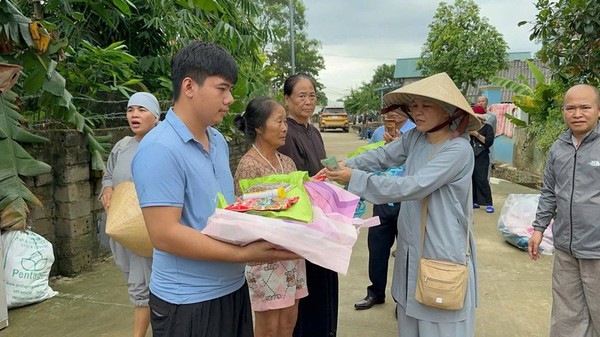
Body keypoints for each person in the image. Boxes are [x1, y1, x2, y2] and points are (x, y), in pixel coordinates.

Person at [131, 41, 299, 337]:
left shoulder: (218, 142)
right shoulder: (159, 148)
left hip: (232, 289)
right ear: (189, 86)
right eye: (222, 89)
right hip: (188, 302)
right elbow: (165, 235)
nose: (230, 99)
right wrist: (245, 254)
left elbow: (222, 210)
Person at [323, 72, 480, 337]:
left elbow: (413, 186)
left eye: (426, 106)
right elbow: (383, 156)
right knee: (409, 317)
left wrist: (356, 178)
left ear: (448, 111)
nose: (417, 113)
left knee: (440, 321)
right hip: (412, 246)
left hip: (440, 245)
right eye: (414, 106)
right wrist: (346, 165)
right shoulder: (416, 138)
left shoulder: (458, 150)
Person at [233, 96, 308, 337]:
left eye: (285, 121)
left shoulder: (287, 162)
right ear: (258, 127)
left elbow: (301, 202)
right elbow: (246, 213)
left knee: (289, 321)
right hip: (263, 257)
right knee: (268, 327)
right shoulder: (249, 165)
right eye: (279, 121)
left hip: (291, 255)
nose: (285, 127)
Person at [529, 84, 600, 337]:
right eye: (570, 108)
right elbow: (549, 191)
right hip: (565, 248)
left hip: (597, 250)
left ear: (598, 110)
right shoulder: (558, 148)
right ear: (563, 111)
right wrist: (539, 228)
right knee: (566, 314)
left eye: (585, 107)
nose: (577, 113)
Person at [277, 73, 338, 337]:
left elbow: (323, 166)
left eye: (312, 95)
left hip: (323, 217)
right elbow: (296, 181)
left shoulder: (313, 130)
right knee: (310, 291)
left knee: (326, 282)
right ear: (287, 99)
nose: (308, 101)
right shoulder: (286, 133)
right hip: (305, 220)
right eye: (301, 95)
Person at [99, 92, 161, 337]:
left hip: (147, 228)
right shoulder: (122, 145)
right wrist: (107, 188)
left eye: (142, 110)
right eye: (130, 109)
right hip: (122, 227)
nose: (134, 115)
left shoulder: (161, 145)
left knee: (146, 288)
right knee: (139, 284)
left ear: (156, 117)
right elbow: (108, 174)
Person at [354, 108, 415, 311]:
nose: (393, 115)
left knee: (406, 251)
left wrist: (398, 148)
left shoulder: (416, 133)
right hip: (382, 199)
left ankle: (402, 299)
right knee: (377, 247)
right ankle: (375, 292)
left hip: (407, 200)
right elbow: (371, 159)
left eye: (398, 110)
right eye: (390, 111)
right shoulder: (379, 132)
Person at [469, 105, 495, 213]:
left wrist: (476, 134)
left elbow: (488, 142)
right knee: (472, 178)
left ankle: (488, 203)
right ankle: (474, 201)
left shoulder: (488, 128)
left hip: (482, 156)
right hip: (470, 155)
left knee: (482, 179)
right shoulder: (469, 128)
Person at [476, 95, 497, 176]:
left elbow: (493, 131)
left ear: (487, 103)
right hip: (475, 146)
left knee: (486, 171)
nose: (481, 103)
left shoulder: (492, 117)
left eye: (483, 101)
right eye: (479, 101)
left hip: (487, 145)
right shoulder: (474, 115)